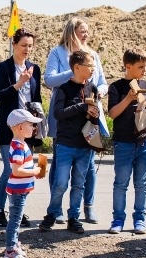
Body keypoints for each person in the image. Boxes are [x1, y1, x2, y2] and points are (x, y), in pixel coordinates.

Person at [44, 17, 107, 224]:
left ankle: (87, 207)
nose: (86, 35)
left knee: (88, 168)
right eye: (82, 31)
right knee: (60, 169)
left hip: (89, 117)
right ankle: (56, 210)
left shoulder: (93, 55)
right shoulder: (57, 52)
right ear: (71, 31)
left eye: (88, 31)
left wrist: (100, 93)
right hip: (66, 119)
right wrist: (74, 72)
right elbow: (49, 79)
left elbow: (101, 82)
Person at [39, 50, 99, 234]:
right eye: (90, 66)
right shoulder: (63, 89)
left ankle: (74, 218)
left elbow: (94, 116)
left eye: (93, 66)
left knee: (79, 184)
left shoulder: (92, 89)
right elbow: (58, 114)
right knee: (61, 183)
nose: (92, 69)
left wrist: (93, 115)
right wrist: (82, 107)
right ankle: (52, 214)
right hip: (65, 144)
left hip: (85, 146)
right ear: (77, 67)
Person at [0, 28, 41, 228]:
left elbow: (36, 98)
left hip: (28, 128)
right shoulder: (3, 68)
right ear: (14, 45)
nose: (27, 49)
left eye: (30, 46)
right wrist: (19, 83)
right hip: (9, 128)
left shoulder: (34, 68)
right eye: (23, 45)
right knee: (10, 169)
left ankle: (18, 211)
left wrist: (38, 122)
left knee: (26, 169)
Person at [106, 49, 146, 234]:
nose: (144, 70)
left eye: (145, 66)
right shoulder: (116, 87)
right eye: (140, 67)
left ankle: (140, 220)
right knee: (121, 183)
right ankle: (118, 220)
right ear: (128, 67)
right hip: (124, 142)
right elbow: (112, 114)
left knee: (142, 183)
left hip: (145, 141)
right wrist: (128, 98)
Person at [3, 109, 43, 258]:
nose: (33, 128)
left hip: (19, 190)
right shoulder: (18, 146)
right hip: (17, 191)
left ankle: (13, 245)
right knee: (15, 220)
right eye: (31, 124)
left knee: (16, 219)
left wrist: (34, 173)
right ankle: (10, 251)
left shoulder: (20, 144)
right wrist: (35, 171)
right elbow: (16, 171)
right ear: (20, 127)